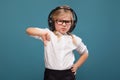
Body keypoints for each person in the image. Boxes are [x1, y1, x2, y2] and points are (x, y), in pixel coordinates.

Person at [26, 5, 89, 80]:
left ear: (72, 23)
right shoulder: (48, 34)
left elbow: (85, 53)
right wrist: (41, 34)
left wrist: (77, 66)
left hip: (68, 75)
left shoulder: (74, 39)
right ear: (53, 21)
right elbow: (28, 30)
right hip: (50, 74)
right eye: (60, 21)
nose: (64, 24)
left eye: (67, 21)